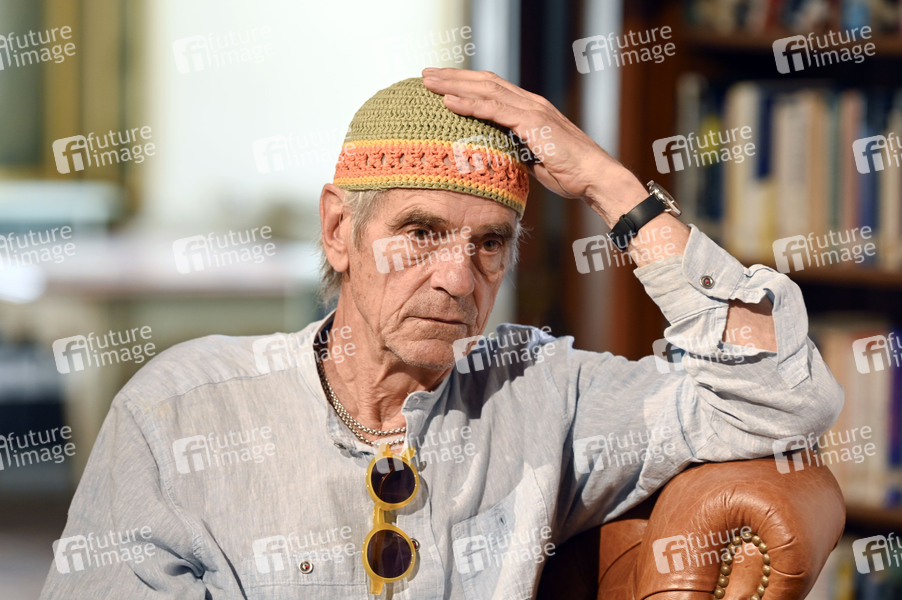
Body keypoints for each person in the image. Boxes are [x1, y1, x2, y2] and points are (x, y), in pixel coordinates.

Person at [40, 69, 842, 599]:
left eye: (490, 243)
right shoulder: (181, 410)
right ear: (338, 230)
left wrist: (614, 188)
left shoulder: (541, 390)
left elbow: (777, 398)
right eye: (420, 232)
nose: (459, 278)